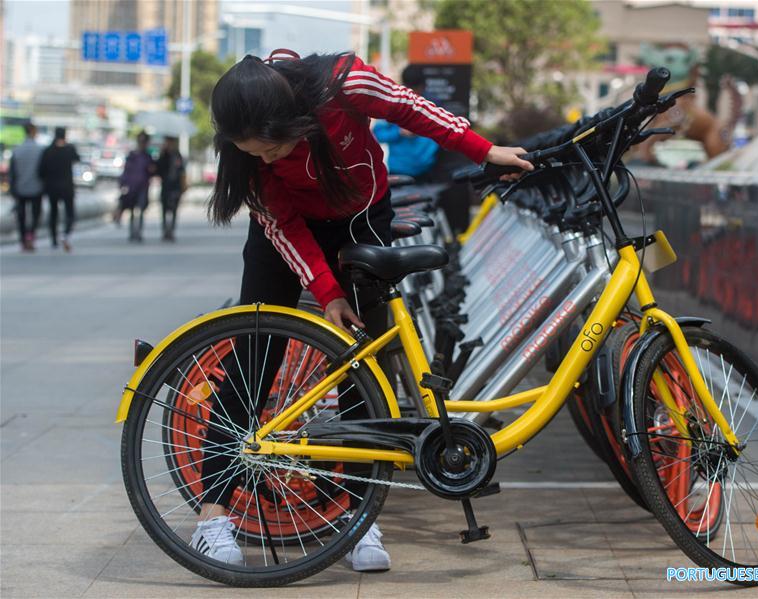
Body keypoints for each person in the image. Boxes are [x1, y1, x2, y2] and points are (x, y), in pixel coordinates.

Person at [193, 49, 531, 571]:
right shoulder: (251, 161)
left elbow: (413, 109)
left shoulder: (345, 83)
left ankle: (358, 518)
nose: (267, 161)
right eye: (253, 154)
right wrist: (328, 292)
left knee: (362, 368)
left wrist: (483, 150)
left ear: (293, 121)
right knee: (252, 362)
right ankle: (212, 518)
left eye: (273, 148)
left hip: (362, 218)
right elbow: (283, 226)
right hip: (287, 237)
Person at [372, 65, 439, 181]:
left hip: (426, 169)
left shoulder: (432, 104)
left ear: (423, 87)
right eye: (411, 90)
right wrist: (399, 132)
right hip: (399, 169)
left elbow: (440, 134)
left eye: (417, 90)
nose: (414, 95)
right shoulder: (392, 104)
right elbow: (377, 135)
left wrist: (427, 154)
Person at [39, 127, 81, 252]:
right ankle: (65, 234)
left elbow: (41, 171)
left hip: (52, 187)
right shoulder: (69, 149)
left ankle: (54, 239)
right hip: (67, 187)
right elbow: (77, 159)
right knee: (70, 213)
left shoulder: (48, 151)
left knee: (53, 213)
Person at [9, 123, 44, 252]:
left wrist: (12, 189)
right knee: (36, 214)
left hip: (20, 188)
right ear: (33, 132)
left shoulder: (17, 150)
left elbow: (12, 173)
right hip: (36, 188)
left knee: (21, 216)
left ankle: (23, 240)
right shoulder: (40, 150)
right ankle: (31, 236)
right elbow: (44, 171)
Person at [117, 132, 154, 242]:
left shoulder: (147, 156)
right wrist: (123, 184)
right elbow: (126, 171)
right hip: (132, 187)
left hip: (143, 186)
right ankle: (132, 232)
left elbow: (152, 171)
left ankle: (139, 232)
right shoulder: (132, 155)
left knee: (141, 209)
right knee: (132, 210)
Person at [155, 136, 187, 241]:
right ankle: (165, 230)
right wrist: (162, 155)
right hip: (165, 186)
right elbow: (158, 170)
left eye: (170, 142)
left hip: (176, 186)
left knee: (174, 210)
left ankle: (171, 230)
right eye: (167, 142)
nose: (169, 144)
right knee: (164, 210)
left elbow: (182, 170)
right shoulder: (163, 155)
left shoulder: (177, 155)